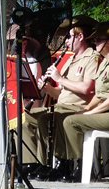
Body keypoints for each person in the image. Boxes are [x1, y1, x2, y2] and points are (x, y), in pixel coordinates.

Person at [22, 15, 99, 180]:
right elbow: (62, 93)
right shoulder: (70, 59)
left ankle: (62, 164)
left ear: (80, 36)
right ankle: (33, 163)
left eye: (69, 37)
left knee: (51, 118)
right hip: (61, 106)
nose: (66, 42)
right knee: (25, 117)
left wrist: (60, 79)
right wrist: (48, 89)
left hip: (78, 108)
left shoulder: (92, 58)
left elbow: (87, 89)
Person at [63, 22, 109, 182]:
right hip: (108, 112)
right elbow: (100, 94)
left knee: (71, 122)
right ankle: (75, 165)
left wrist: (91, 112)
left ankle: (80, 167)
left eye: (99, 40)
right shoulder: (105, 63)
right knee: (72, 116)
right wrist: (87, 108)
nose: (95, 42)